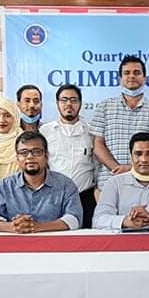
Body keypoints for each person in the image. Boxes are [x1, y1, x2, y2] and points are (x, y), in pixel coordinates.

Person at [90, 55, 149, 192]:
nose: (131, 76)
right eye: (127, 73)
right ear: (120, 79)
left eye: (137, 72)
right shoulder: (104, 107)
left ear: (145, 78)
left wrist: (132, 169)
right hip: (109, 182)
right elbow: (98, 145)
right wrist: (118, 169)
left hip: (146, 182)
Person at [0, 131, 83, 233]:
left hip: (54, 241)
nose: (30, 157)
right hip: (14, 240)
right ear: (17, 158)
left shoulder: (65, 185)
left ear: (46, 156)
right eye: (23, 153)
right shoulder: (4, 186)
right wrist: (13, 227)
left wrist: (39, 227)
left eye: (36, 152)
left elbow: (74, 219)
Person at [40, 83, 98, 227]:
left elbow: (98, 165)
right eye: (64, 100)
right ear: (57, 103)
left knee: (87, 237)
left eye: (73, 100)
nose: (68, 104)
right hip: (54, 197)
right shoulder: (45, 131)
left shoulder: (92, 132)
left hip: (85, 197)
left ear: (80, 103)